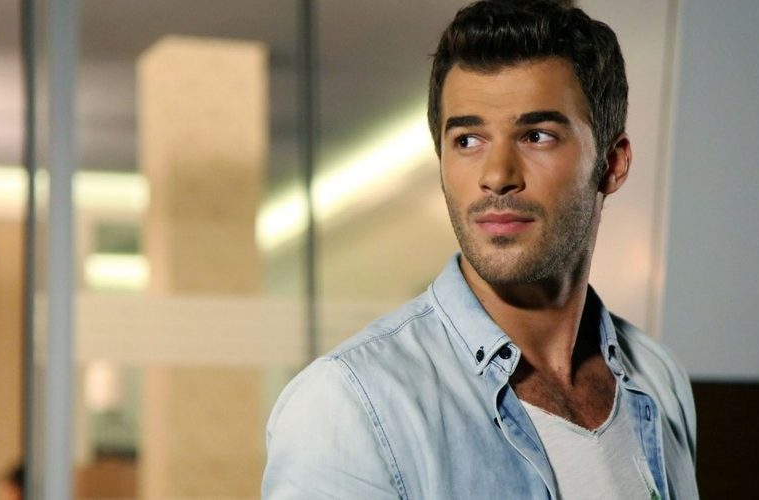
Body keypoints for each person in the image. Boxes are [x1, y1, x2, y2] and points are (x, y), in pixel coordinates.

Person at [263, 0, 698, 498]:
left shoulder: (658, 378)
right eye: (468, 140)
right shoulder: (349, 406)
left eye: (536, 136)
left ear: (613, 164)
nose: (496, 176)